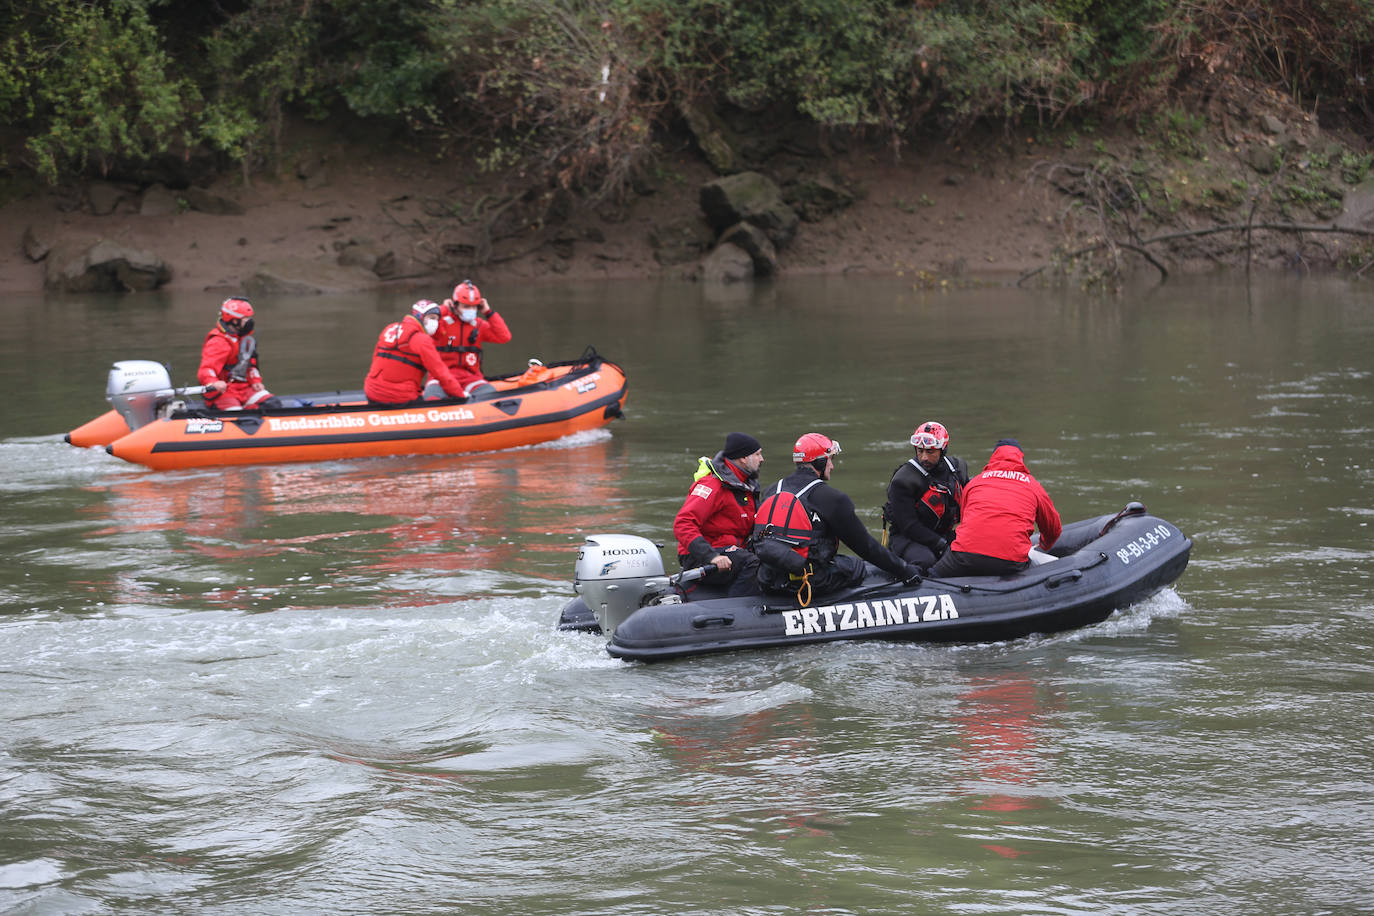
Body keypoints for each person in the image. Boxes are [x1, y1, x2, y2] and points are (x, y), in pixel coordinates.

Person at [754, 432, 919, 600]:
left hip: (768, 579)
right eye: (830, 459)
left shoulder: (772, 490)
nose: (831, 466)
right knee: (857, 566)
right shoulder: (832, 498)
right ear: (820, 462)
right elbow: (866, 547)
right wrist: (905, 570)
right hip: (810, 581)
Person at [928, 438, 1062, 578]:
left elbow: (965, 518)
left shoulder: (975, 483)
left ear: (993, 457)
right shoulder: (1033, 486)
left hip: (964, 555)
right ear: (1020, 459)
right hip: (1010, 561)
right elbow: (1053, 528)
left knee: (932, 578)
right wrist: (1043, 546)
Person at [672, 432, 764, 597]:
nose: (762, 459)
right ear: (743, 458)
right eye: (757, 454)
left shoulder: (745, 485)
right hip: (700, 556)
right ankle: (737, 612)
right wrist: (711, 556)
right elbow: (683, 524)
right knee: (752, 562)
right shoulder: (712, 485)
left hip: (731, 550)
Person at [883, 420, 970, 572]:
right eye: (920, 451)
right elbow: (909, 526)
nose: (924, 457)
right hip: (908, 538)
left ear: (942, 450)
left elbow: (970, 504)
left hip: (943, 534)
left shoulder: (958, 468)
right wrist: (942, 545)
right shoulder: (903, 480)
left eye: (930, 452)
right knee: (926, 561)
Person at [364, 300, 468, 405]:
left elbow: (375, 358)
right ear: (421, 317)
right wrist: (461, 396)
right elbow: (440, 373)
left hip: (371, 392)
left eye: (437, 319)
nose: (435, 323)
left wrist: (445, 308)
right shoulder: (422, 340)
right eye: (432, 318)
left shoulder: (390, 328)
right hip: (400, 398)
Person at [424, 279, 512, 400]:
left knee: (491, 398)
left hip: (471, 378)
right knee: (432, 398)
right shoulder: (441, 323)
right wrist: (444, 309)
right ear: (454, 305)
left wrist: (488, 312)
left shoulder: (479, 325)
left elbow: (504, 336)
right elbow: (428, 323)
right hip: (440, 378)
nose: (470, 310)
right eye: (465, 306)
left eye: (473, 307)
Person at [197, 297, 275, 410]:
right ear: (234, 320)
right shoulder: (219, 341)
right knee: (235, 414)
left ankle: (253, 414)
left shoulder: (245, 339)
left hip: (243, 388)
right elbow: (206, 369)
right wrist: (213, 382)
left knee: (272, 404)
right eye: (246, 318)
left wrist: (255, 381)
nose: (250, 321)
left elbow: (251, 364)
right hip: (223, 391)